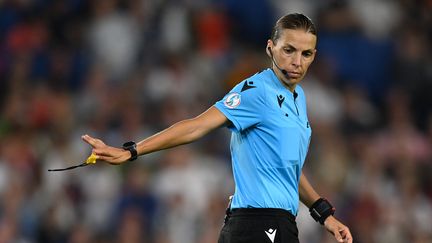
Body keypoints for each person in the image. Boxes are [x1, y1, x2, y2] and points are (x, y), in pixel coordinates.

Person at [82, 13, 353, 243]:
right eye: (289, 50)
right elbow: (196, 126)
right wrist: (132, 151)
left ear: (314, 56)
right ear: (271, 47)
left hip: (279, 224)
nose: (297, 61)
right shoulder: (257, 91)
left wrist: (323, 214)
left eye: (306, 54)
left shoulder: (298, 98)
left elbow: (287, 167)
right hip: (257, 224)